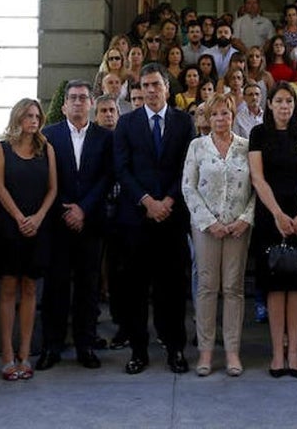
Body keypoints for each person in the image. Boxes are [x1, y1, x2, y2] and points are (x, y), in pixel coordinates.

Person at [112, 63, 196, 375]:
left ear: (166, 88)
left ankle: (175, 350)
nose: (150, 90)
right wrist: (147, 201)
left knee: (172, 289)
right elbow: (121, 168)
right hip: (136, 219)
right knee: (135, 289)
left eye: (155, 85)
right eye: (145, 85)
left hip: (172, 218)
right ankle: (138, 352)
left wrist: (168, 201)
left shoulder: (183, 122)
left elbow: (187, 167)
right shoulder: (127, 123)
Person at [38, 82, 113, 371]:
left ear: (91, 103)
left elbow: (107, 177)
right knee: (55, 288)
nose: (79, 103)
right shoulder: (49, 135)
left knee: (88, 287)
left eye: (83, 98)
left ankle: (86, 345)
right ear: (64, 105)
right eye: (73, 98)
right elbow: (43, 178)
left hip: (91, 223)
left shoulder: (104, 137)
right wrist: (65, 209)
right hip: (57, 223)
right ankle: (51, 347)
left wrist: (83, 208)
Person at [248, 82, 297, 377]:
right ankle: (278, 353)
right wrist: (277, 214)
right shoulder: (258, 134)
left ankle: (294, 353)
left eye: (289, 101)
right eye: (279, 101)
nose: (284, 106)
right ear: (270, 104)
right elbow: (257, 177)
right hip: (270, 215)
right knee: (276, 285)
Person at [181, 94, 254, 377]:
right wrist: (209, 222)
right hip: (206, 227)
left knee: (234, 289)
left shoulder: (245, 147)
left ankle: (233, 352)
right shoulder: (197, 146)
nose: (220, 119)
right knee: (207, 287)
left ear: (233, 115)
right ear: (207, 119)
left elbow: (256, 187)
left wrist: (245, 219)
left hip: (238, 227)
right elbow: (188, 187)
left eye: (225, 114)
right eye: (215, 115)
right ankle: (206, 352)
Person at [0, 99, 57, 381]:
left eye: (37, 115)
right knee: (8, 288)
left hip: (39, 226)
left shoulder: (47, 148)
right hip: (9, 226)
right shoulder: (1, 148)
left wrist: (38, 217)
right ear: (18, 117)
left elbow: (53, 189)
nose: (34, 119)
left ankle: (25, 354)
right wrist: (19, 217)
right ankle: (7, 354)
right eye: (29, 115)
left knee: (30, 288)